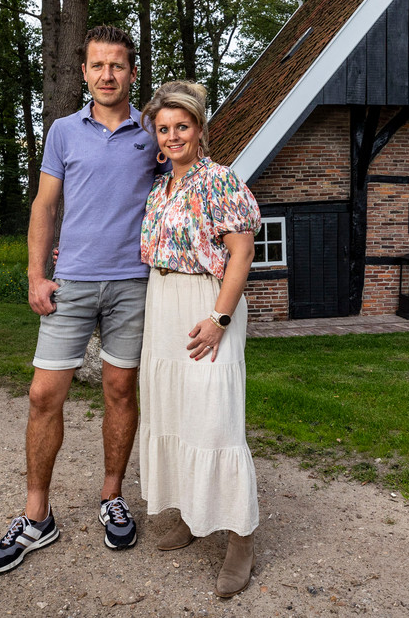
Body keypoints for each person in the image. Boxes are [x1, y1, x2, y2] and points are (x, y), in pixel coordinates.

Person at [0, 26, 161, 574]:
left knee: (120, 391)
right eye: (98, 66)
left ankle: (112, 496)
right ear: (83, 72)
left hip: (133, 283)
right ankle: (37, 517)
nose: (108, 75)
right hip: (73, 283)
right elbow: (44, 205)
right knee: (43, 395)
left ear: (132, 73)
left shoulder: (154, 133)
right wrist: (36, 275)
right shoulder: (63, 130)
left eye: (118, 66)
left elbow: (186, 187)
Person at [137, 80, 262, 598]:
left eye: (180, 126)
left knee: (215, 420)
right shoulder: (160, 188)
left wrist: (219, 319)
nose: (171, 136)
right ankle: (191, 513)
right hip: (162, 305)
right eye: (163, 129)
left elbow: (241, 255)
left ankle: (241, 540)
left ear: (199, 129)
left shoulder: (221, 181)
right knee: (176, 414)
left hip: (207, 306)